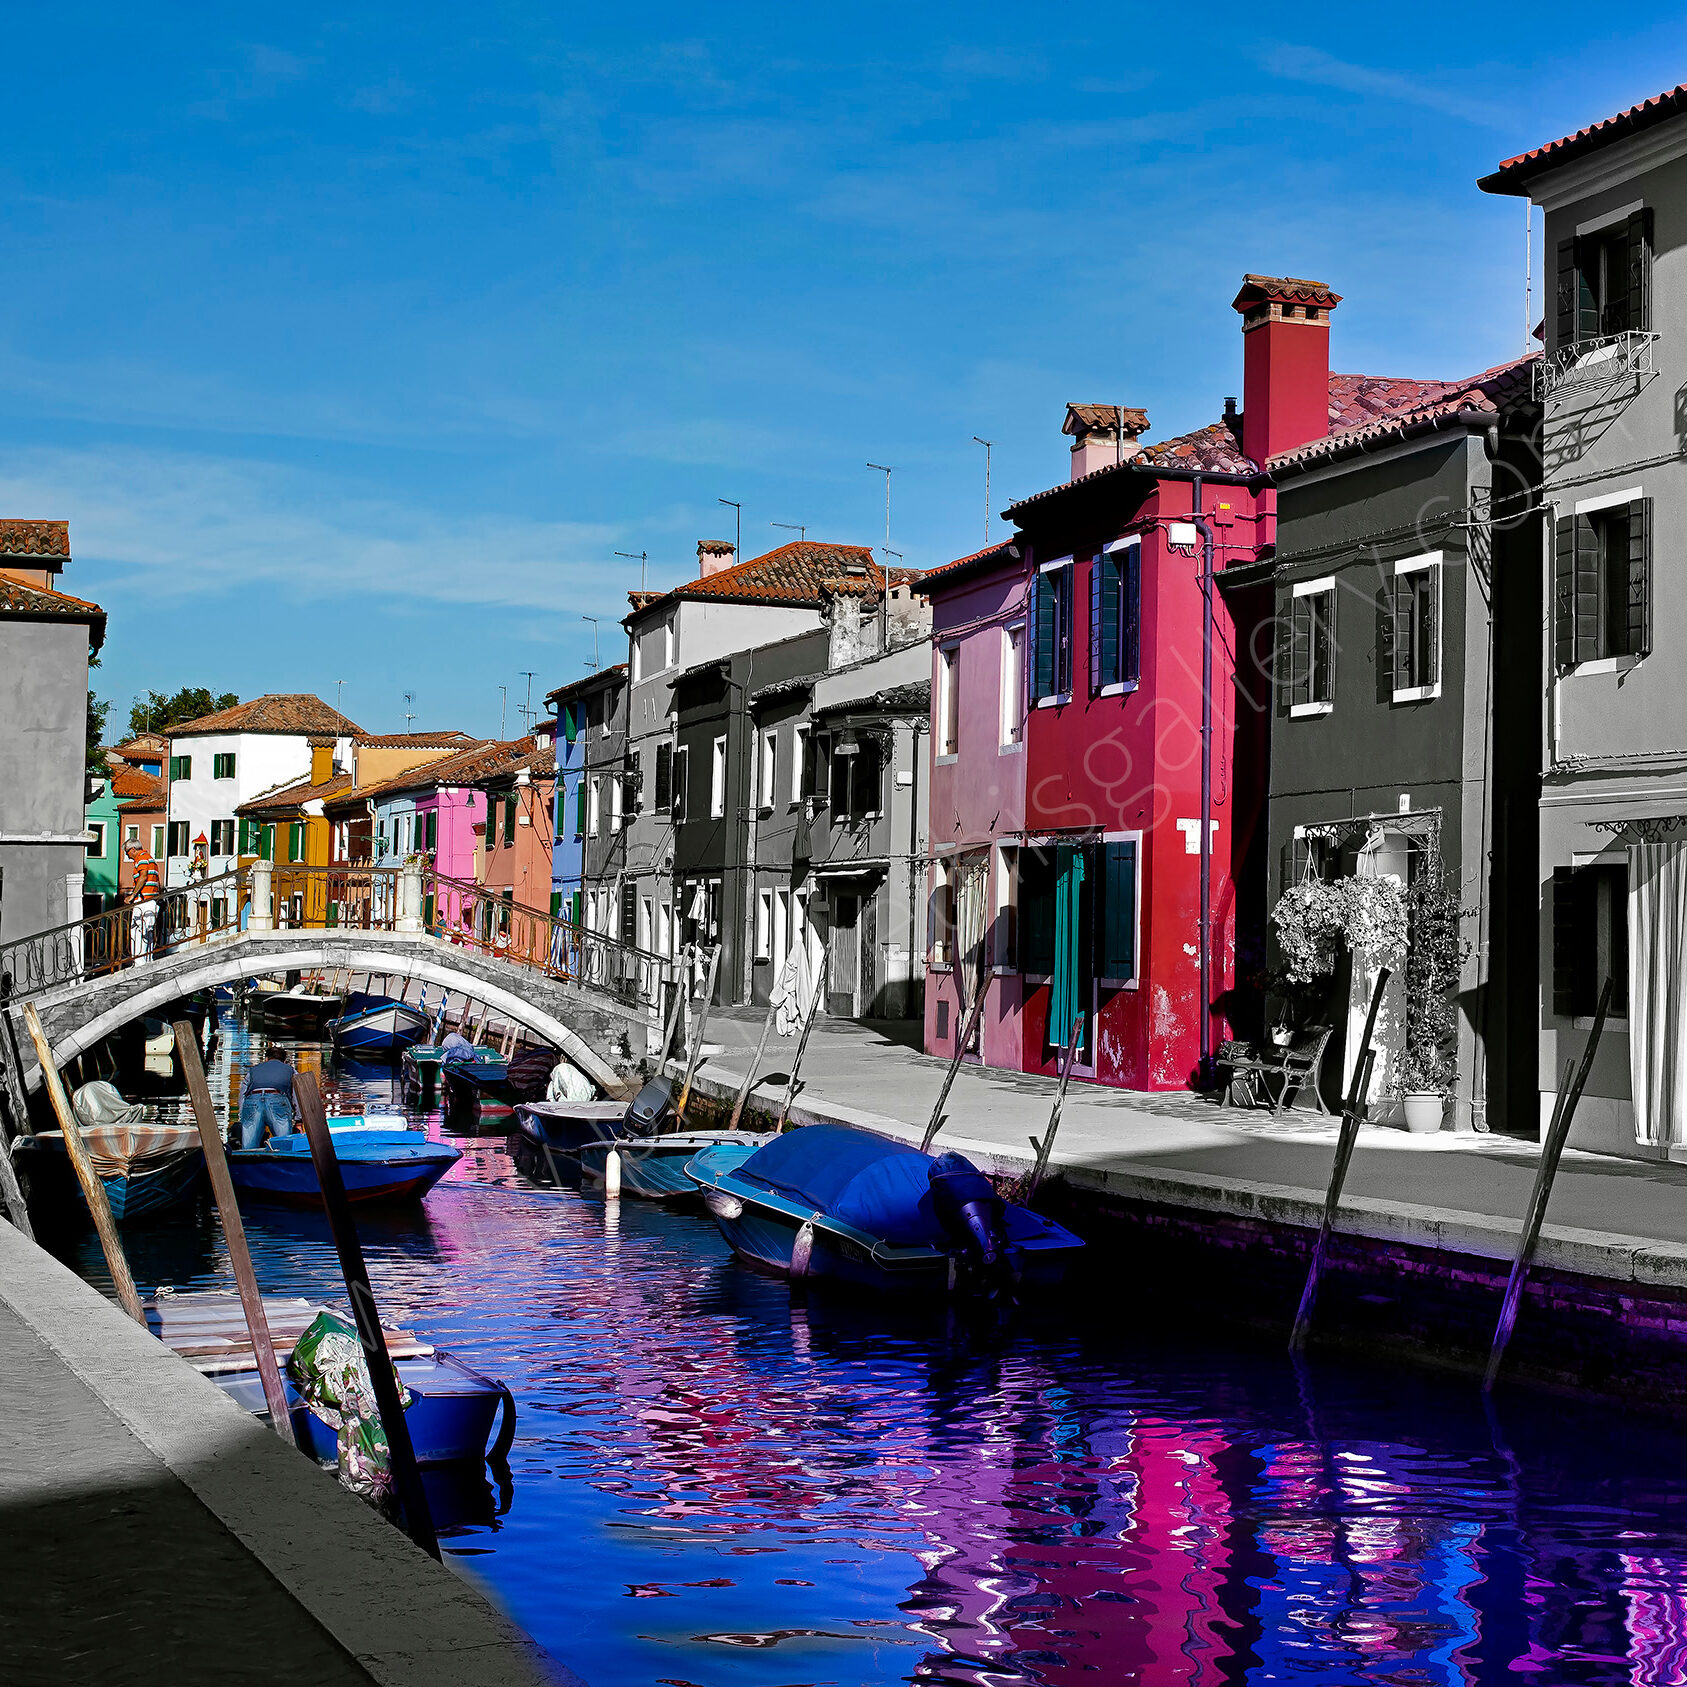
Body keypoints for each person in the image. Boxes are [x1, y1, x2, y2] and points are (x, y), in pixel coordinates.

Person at [239, 1042, 297, 1149]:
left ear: (266, 1059)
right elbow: (296, 1096)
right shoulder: (290, 1070)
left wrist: (243, 1114)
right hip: (277, 1100)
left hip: (252, 1101)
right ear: (284, 1061)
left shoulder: (253, 1070)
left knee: (248, 1148)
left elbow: (243, 1093)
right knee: (284, 1146)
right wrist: (299, 1118)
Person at [125, 842, 161, 966]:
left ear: (133, 849)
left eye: (127, 852)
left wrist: (132, 896)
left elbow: (143, 877)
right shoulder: (151, 859)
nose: (127, 855)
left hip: (144, 900)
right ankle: (147, 961)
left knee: (137, 931)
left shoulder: (142, 859)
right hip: (151, 900)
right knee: (147, 931)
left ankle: (139, 963)